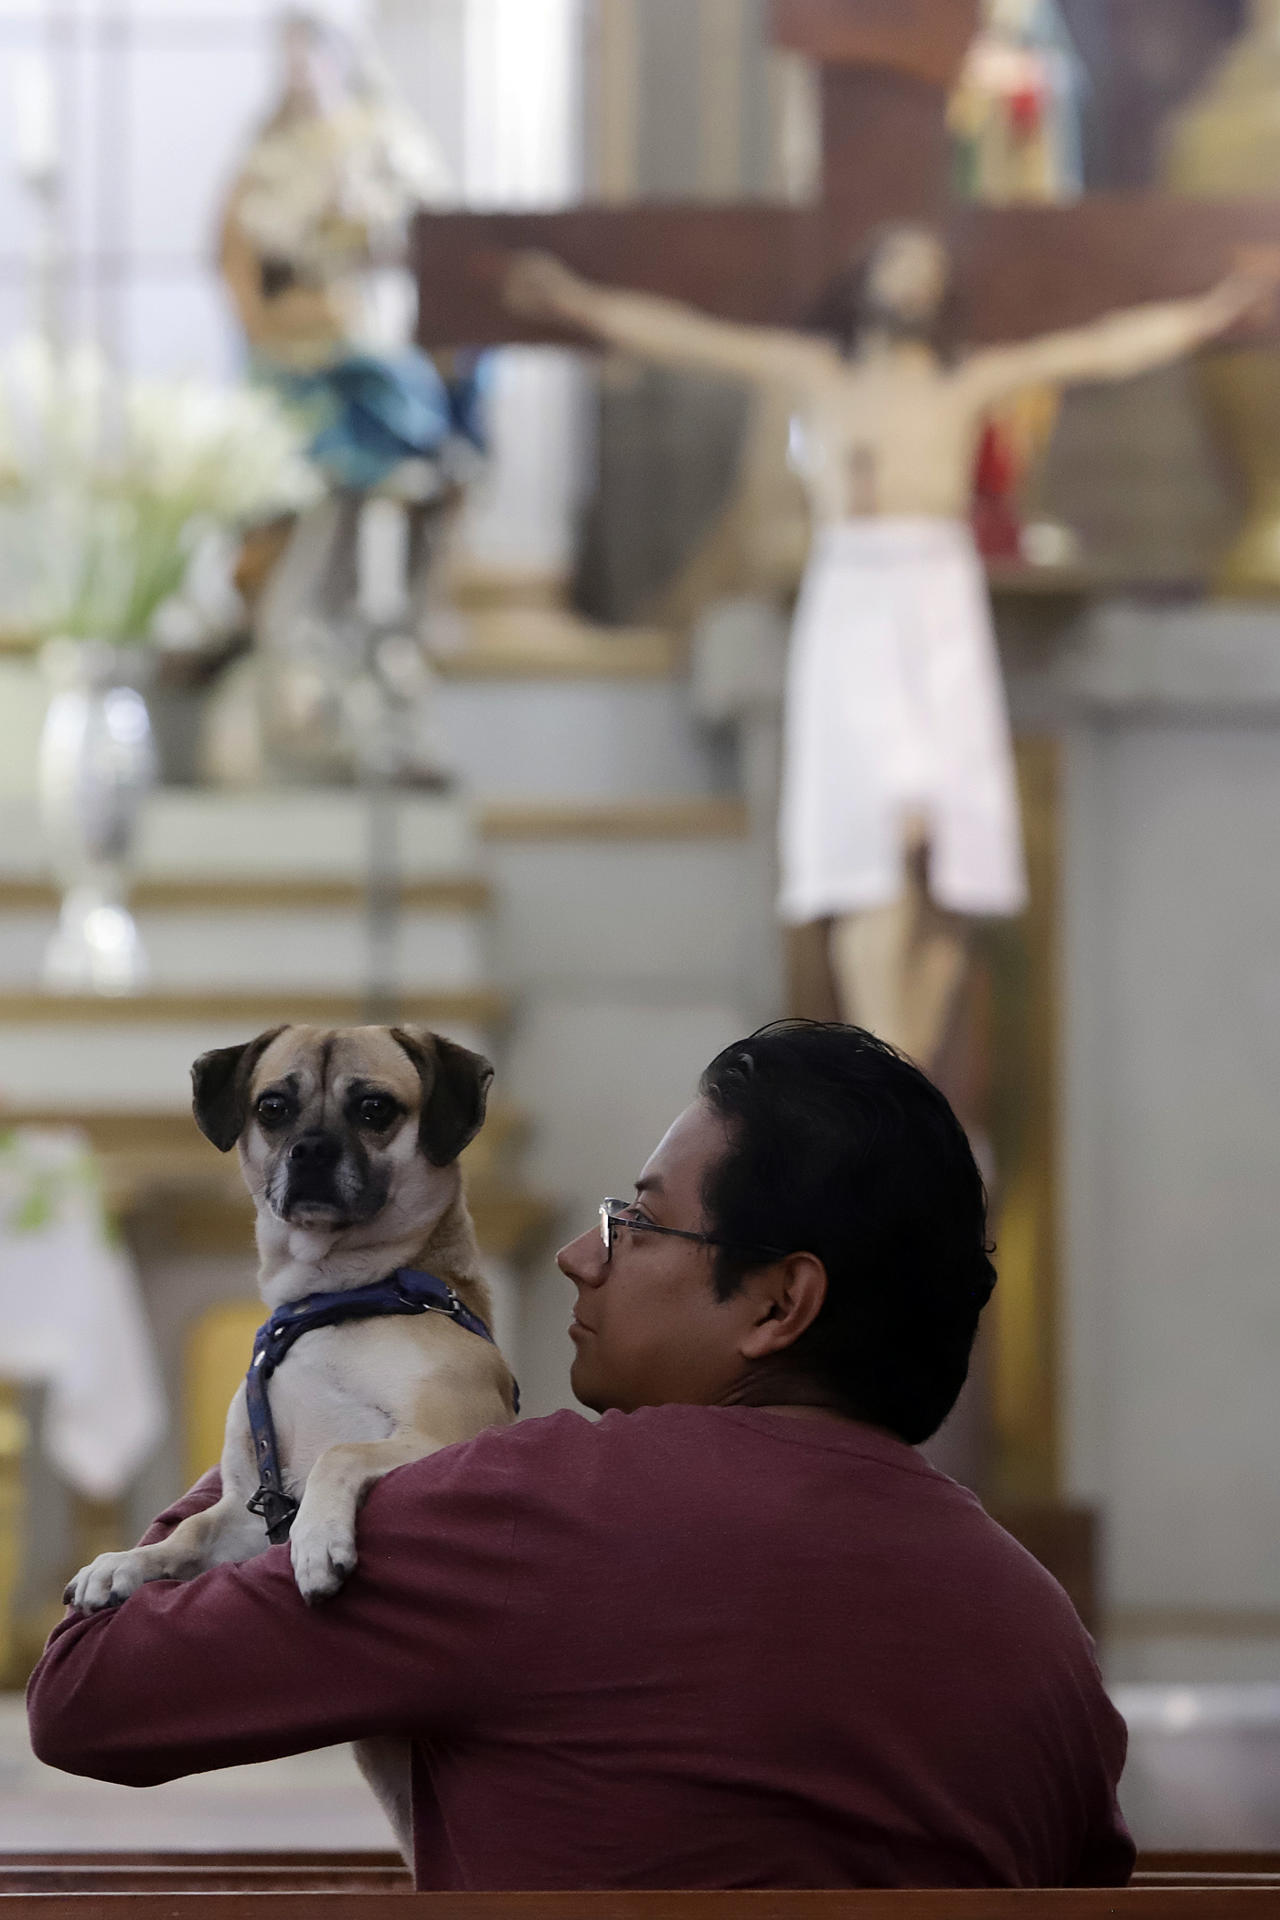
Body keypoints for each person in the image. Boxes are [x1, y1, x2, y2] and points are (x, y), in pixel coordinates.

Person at [28, 1022, 1132, 1891]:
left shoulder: (515, 1515)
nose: (574, 1256)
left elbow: (86, 1693)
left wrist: (300, 1354)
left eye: (636, 1225)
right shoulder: (1044, 1636)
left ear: (779, 1303)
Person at [505, 234, 1277, 1074]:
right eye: (900, 263)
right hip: (856, 602)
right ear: (865, 278)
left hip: (939, 601)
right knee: (874, 843)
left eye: (930, 271)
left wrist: (1207, 316)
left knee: (948, 860)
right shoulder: (818, 374)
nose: (913, 280)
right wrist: (577, 301)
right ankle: (887, 1067)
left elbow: (1092, 351)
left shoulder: (964, 380)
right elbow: (688, 335)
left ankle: (904, 1075)